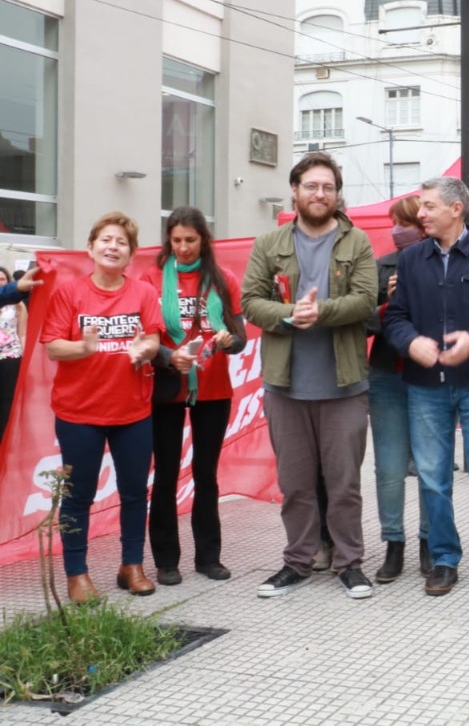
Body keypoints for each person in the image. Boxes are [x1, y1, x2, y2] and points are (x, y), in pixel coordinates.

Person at [242, 152, 378, 600]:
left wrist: (319, 313)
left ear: (337, 195)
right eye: (311, 186)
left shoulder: (356, 242)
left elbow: (365, 300)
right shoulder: (269, 243)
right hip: (287, 384)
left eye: (328, 187)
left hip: (344, 384)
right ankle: (297, 561)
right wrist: (287, 314)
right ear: (295, 192)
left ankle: (349, 563)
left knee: (344, 484)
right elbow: (250, 301)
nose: (320, 194)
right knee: (295, 483)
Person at [384, 177, 469, 603]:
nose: (420, 214)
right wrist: (410, 342)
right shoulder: (410, 261)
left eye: (428, 206)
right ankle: (444, 558)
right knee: (432, 480)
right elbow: (395, 318)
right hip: (425, 387)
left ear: (455, 209)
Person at [41, 212, 161, 602]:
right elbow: (52, 345)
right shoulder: (69, 293)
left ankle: (132, 565)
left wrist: (144, 348)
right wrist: (84, 348)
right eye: (106, 240)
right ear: (91, 248)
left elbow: (154, 340)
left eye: (121, 242)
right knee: (78, 496)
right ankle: (77, 574)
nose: (113, 247)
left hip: (133, 411)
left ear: (131, 255)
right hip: (79, 414)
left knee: (133, 492)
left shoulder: (142, 293)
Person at [142, 207, 247, 586]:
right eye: (176, 240)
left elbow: (240, 339)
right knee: (166, 475)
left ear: (204, 240)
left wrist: (226, 339)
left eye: (191, 240)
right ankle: (166, 561)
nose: (184, 248)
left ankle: (209, 558)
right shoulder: (151, 278)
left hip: (214, 391)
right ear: (168, 241)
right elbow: (145, 340)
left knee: (206, 475)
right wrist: (170, 358)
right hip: (168, 389)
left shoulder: (223, 279)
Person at [364, 195, 431, 582]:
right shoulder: (382, 266)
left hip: (429, 376)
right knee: (388, 466)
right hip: (387, 374)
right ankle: (394, 543)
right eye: (394, 222)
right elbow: (364, 323)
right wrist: (389, 303)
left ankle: (428, 540)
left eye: (403, 222)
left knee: (429, 465)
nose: (396, 230)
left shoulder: (443, 261)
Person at [0, 267, 29, 440]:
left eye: (2, 279)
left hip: (11, 357)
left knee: (7, 401)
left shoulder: (17, 305)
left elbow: (23, 333)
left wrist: (24, 358)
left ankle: (3, 439)